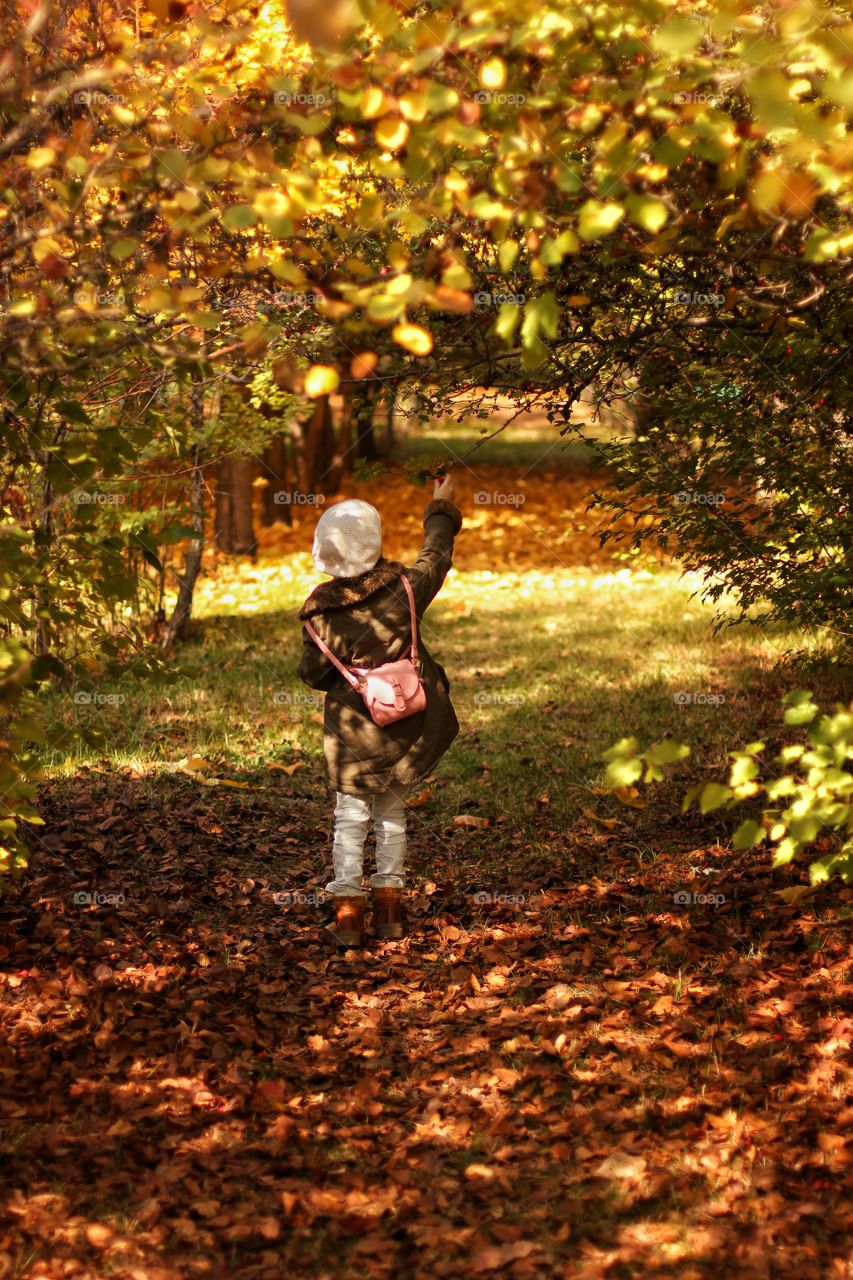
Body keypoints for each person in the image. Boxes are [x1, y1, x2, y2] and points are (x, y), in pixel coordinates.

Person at [297, 475, 462, 947]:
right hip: (406, 723)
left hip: (353, 736)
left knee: (349, 817)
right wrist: (439, 506)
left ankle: (348, 913)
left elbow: (312, 674)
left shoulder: (318, 614)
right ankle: (390, 908)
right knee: (392, 815)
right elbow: (436, 554)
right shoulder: (406, 589)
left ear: (323, 553)